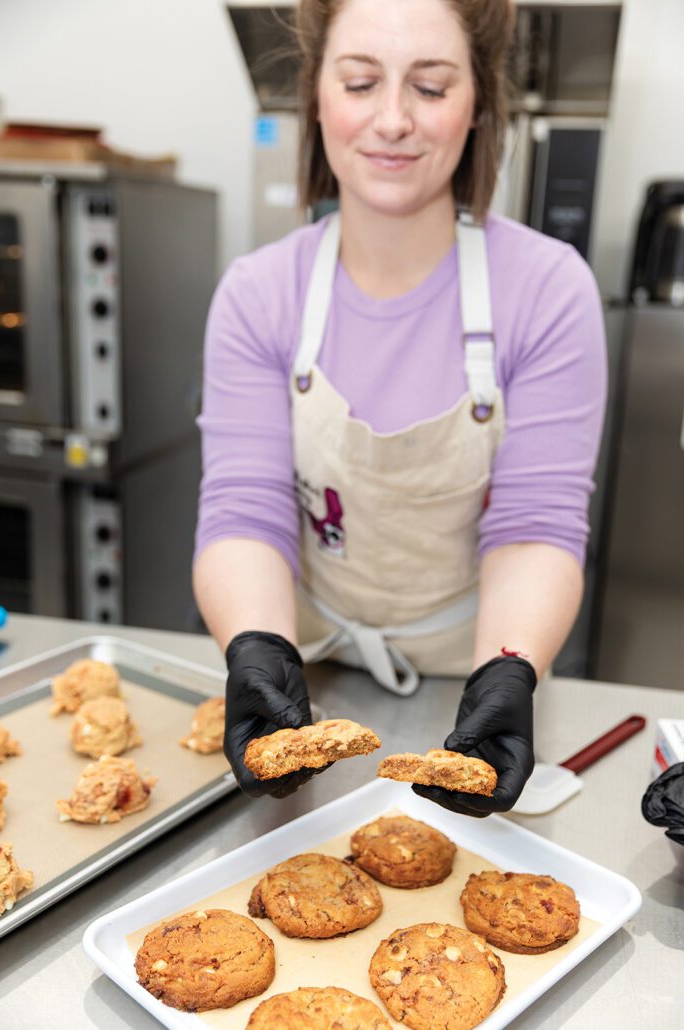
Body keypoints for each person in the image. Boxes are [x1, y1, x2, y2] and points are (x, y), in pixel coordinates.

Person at [193, 0, 606, 815]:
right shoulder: (258, 293)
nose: (391, 121)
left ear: (478, 104)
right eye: (358, 82)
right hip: (303, 673)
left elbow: (536, 523)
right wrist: (256, 648)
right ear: (316, 96)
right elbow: (243, 509)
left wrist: (508, 670)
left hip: (480, 674)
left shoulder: (548, 289)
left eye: (429, 86)